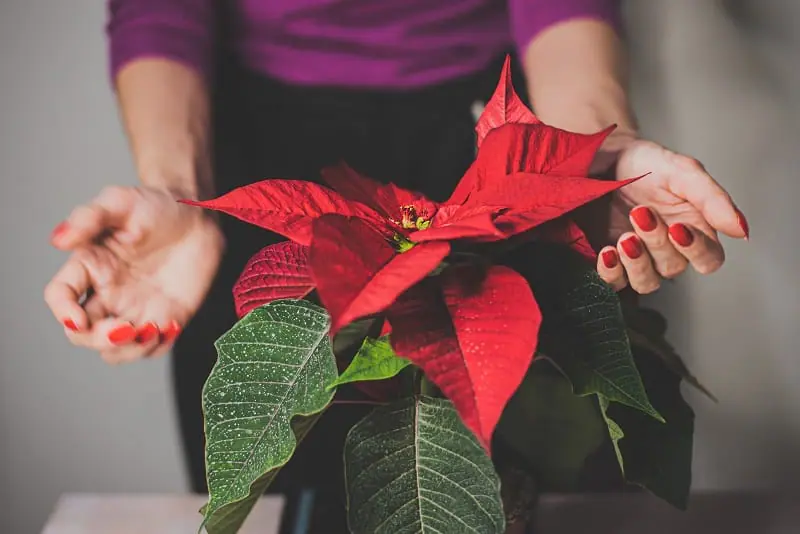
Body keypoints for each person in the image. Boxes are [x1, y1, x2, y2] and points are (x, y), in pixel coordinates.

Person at [44, 0, 749, 530]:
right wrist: (177, 190)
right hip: (258, 133)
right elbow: (159, 14)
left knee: (553, 470)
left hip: (486, 131)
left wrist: (587, 161)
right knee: (278, 472)